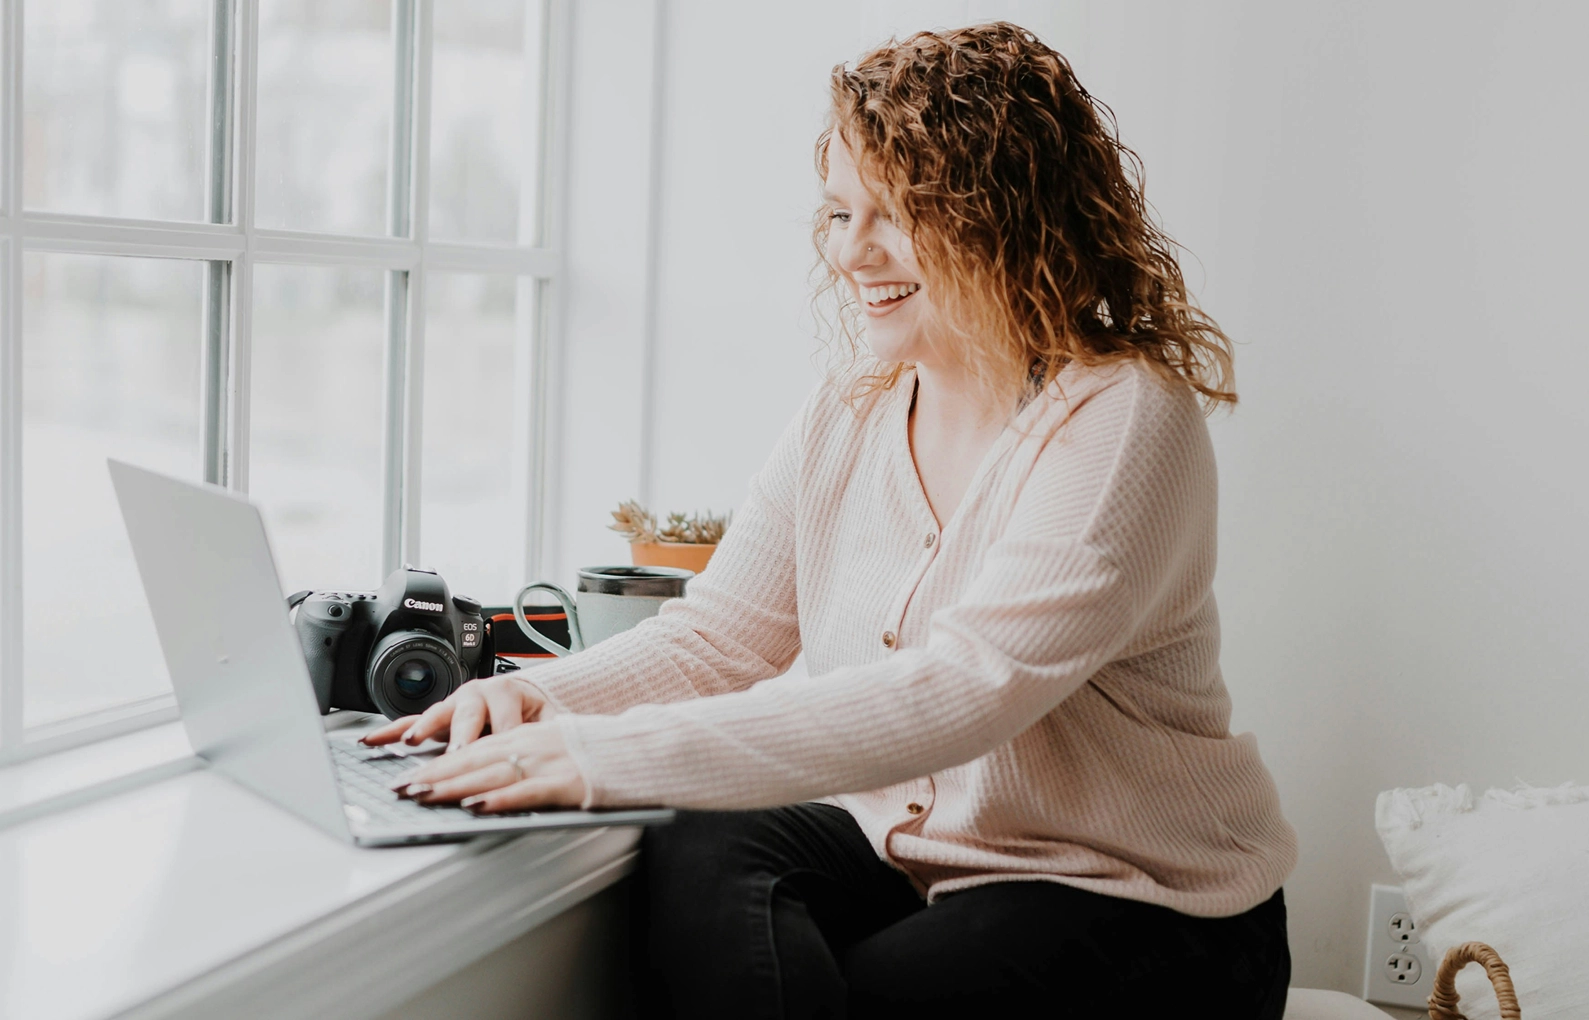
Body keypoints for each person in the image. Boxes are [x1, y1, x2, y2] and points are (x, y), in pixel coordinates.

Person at [365, 22, 1297, 1018]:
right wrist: (543, 704)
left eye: (895, 214)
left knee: (864, 997)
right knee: (699, 838)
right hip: (918, 862)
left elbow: (962, 690)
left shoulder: (1119, 418)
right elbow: (722, 636)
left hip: (1143, 899)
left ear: (1007, 217)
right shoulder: (853, 402)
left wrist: (601, 758)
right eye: (841, 212)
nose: (852, 252)